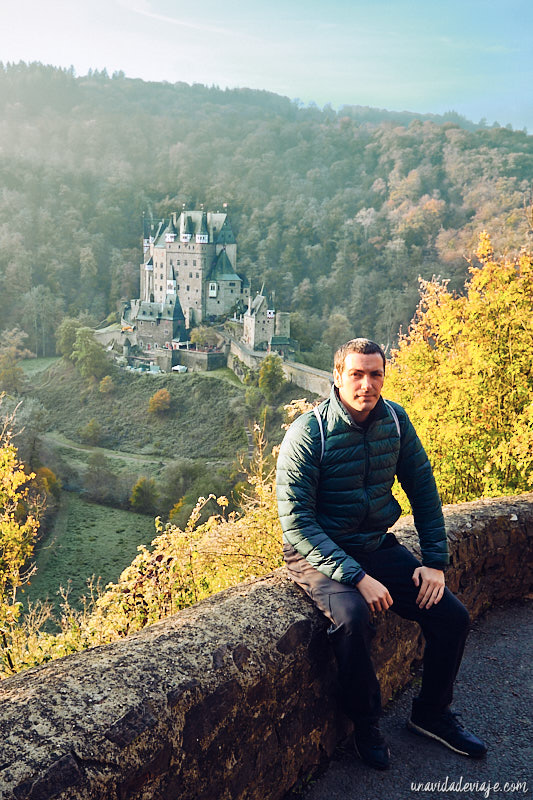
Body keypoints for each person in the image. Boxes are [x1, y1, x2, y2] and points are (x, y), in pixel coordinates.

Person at [276, 338, 487, 770]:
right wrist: (356, 576)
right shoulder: (308, 433)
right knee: (353, 618)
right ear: (337, 377)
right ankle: (365, 723)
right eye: (356, 374)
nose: (366, 384)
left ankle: (431, 714)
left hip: (374, 543)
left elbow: (422, 490)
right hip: (316, 553)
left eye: (375, 374)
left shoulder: (394, 419)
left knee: (451, 616)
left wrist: (434, 562)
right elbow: (297, 522)